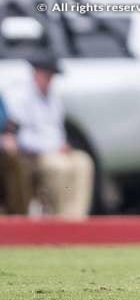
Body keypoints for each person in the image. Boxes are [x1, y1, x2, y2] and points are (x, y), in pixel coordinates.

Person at [3, 54, 94, 218]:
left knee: (83, 162)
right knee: (59, 167)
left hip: (56, 150)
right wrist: (52, 147)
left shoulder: (54, 98)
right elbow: (19, 138)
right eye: (47, 75)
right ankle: (60, 217)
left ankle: (77, 216)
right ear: (36, 73)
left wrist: (62, 145)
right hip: (37, 153)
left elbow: (57, 129)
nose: (50, 80)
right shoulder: (21, 97)